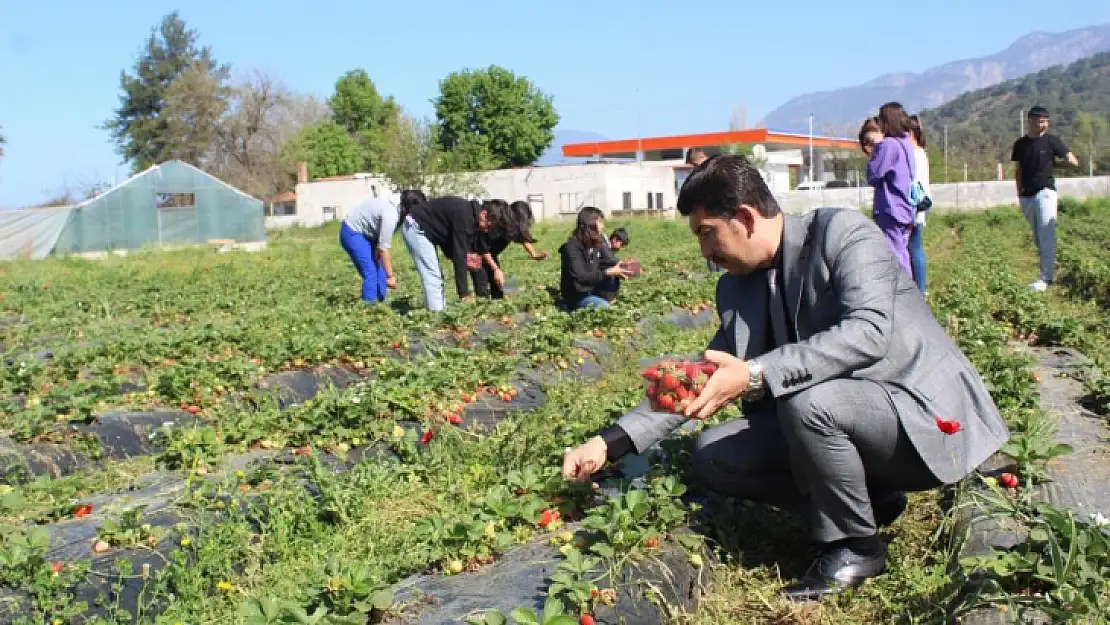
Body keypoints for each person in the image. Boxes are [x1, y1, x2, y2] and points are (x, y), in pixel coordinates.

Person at [561, 155, 1009, 602]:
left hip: (918, 420)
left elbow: (868, 332)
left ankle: (856, 546)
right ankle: (865, 504)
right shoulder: (738, 286)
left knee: (806, 404)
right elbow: (703, 375)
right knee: (715, 454)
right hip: (842, 423)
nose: (705, 252)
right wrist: (609, 442)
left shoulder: (843, 235)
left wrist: (756, 373)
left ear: (744, 218)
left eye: (706, 233)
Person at [400, 192, 519, 312]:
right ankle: (436, 315)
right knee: (433, 275)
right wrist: (464, 294)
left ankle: (439, 308)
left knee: (441, 273)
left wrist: (494, 270)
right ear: (484, 214)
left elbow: (473, 250)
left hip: (429, 230)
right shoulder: (465, 217)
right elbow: (459, 256)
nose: (488, 230)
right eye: (490, 226)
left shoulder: (473, 216)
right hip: (416, 227)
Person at [1011, 106, 1080, 292]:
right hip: (1027, 196)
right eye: (1041, 121)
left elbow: (1073, 162)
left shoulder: (1052, 142)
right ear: (1031, 121)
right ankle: (1045, 274)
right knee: (1038, 236)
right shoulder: (1020, 145)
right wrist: (1019, 194)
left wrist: (1054, 165)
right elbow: (1018, 171)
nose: (1044, 124)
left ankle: (1046, 278)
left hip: (1045, 192)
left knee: (1046, 234)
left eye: (1046, 121)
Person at [866, 103, 917, 280]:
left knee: (894, 255)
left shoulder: (888, 145)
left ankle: (902, 294)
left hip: (890, 208)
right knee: (902, 251)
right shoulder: (906, 143)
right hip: (905, 207)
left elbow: (873, 174)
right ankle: (907, 290)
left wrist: (874, 151)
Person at [558, 207, 634, 310]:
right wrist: (608, 272)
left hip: (591, 290)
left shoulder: (594, 245)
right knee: (604, 308)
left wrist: (624, 267)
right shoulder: (572, 248)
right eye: (600, 222)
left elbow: (606, 262)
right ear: (591, 224)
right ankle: (569, 307)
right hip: (577, 296)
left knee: (612, 275)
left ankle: (605, 299)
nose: (603, 226)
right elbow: (580, 277)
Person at [471, 200, 548, 300]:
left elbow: (522, 237)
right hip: (475, 253)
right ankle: (481, 306)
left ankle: (500, 303)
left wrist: (534, 254)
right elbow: (483, 249)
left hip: (491, 254)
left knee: (498, 284)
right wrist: (496, 269)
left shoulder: (513, 225)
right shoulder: (496, 222)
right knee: (481, 285)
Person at [339, 196, 401, 303]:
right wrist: (390, 276)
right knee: (371, 272)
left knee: (380, 270)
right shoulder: (391, 215)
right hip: (352, 231)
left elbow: (380, 246)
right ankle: (369, 309)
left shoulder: (398, 209)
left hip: (369, 233)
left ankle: (381, 302)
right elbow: (383, 249)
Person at [907, 115, 932, 294]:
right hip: (919, 204)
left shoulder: (916, 154)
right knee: (914, 247)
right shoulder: (919, 152)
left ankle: (920, 289)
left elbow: (915, 183)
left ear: (912, 133)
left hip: (916, 205)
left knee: (914, 248)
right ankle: (919, 288)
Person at [687, 149, 722, 274]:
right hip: (706, 221)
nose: (695, 168)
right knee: (710, 249)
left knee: (722, 248)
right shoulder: (699, 176)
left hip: (719, 219)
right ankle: (715, 277)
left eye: (696, 164)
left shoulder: (718, 173)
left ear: (703, 157)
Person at [598, 227, 631, 300]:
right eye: (622, 245)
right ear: (615, 239)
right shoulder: (602, 242)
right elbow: (609, 259)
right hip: (592, 276)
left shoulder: (605, 243)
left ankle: (610, 297)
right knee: (612, 272)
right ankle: (607, 299)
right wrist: (627, 265)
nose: (621, 248)